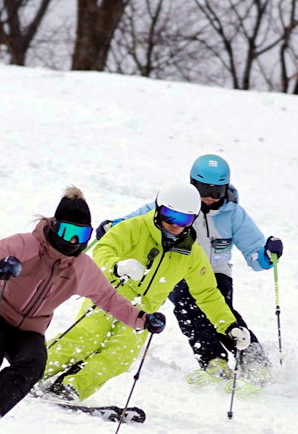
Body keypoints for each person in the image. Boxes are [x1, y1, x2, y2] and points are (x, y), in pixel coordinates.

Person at [0, 187, 165, 417]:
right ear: (54, 226)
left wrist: (142, 319)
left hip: (30, 330)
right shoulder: (25, 244)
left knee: (33, 365)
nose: (73, 241)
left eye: (81, 234)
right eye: (67, 232)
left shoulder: (81, 267)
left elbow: (108, 298)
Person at [42, 182, 253, 402]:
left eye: (184, 219)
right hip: (110, 297)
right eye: (169, 215)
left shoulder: (191, 253)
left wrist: (229, 326)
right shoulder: (134, 228)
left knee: (120, 356)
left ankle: (71, 388)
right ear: (159, 209)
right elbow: (104, 249)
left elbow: (207, 293)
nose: (174, 224)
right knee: (85, 338)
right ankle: (33, 373)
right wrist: (117, 266)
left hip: (142, 313)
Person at [98, 154, 283, 384]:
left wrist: (267, 255)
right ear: (192, 184)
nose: (208, 198)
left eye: (216, 192)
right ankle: (213, 359)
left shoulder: (234, 214)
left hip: (216, 271)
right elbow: (142, 218)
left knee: (221, 310)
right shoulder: (180, 205)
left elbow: (254, 252)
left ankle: (253, 359)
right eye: (203, 189)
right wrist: (113, 227)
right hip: (178, 267)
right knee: (188, 308)